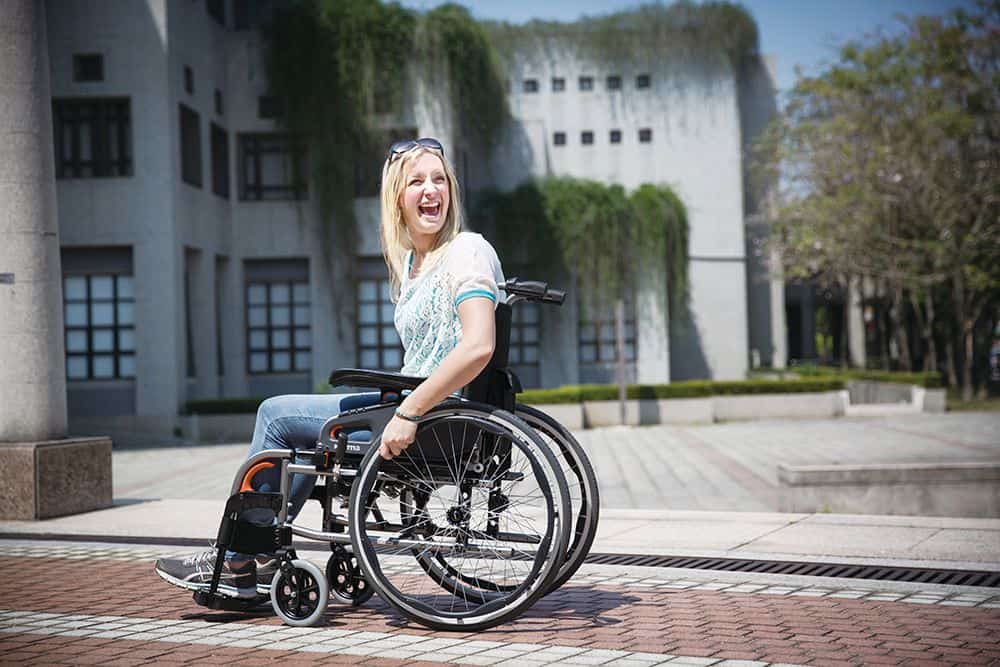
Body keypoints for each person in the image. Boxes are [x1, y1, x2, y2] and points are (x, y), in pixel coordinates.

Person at [154, 138, 505, 598]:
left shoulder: (466, 251)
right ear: (396, 198)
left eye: (439, 179)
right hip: (412, 403)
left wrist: (410, 412)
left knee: (277, 416)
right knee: (297, 433)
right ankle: (253, 555)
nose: (430, 190)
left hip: (435, 417)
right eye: (416, 181)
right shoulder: (414, 263)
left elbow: (479, 346)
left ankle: (241, 556)